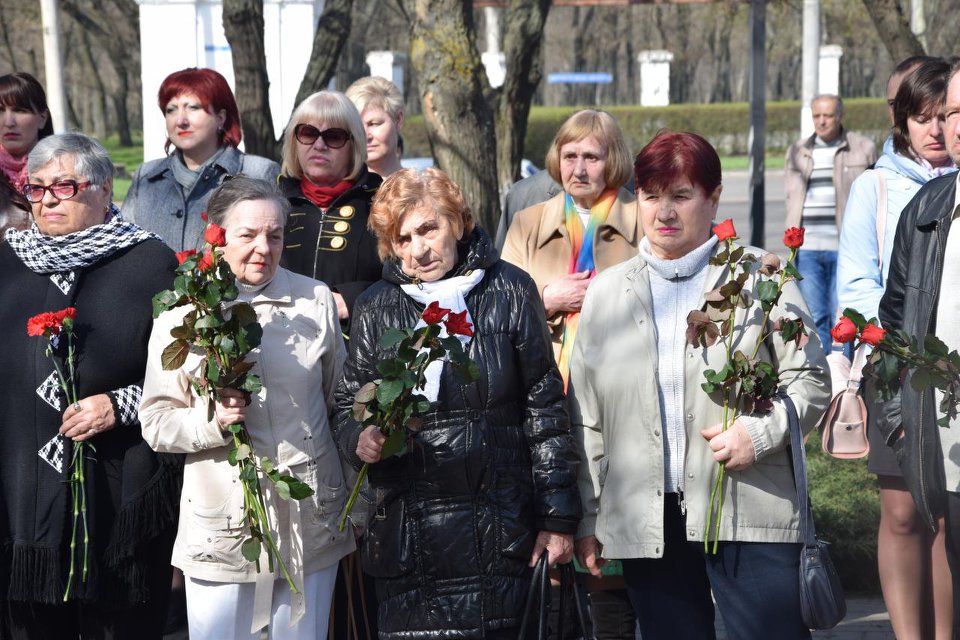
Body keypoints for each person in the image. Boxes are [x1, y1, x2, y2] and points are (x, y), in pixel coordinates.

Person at [571, 131, 831, 640]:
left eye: (682, 195)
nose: (664, 211)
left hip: (747, 506)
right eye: (651, 195)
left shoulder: (759, 276)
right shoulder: (606, 294)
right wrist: (590, 517)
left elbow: (811, 380)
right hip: (646, 518)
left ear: (713, 198)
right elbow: (585, 417)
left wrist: (758, 434)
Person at [333, 167, 581, 639]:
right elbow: (349, 404)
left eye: (428, 228)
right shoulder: (376, 306)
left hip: (501, 533)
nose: (418, 249)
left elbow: (545, 411)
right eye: (402, 239)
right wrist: (359, 437)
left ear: (458, 221)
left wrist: (558, 520)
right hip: (412, 546)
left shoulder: (510, 288)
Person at [139, 176, 352, 640]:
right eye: (248, 235)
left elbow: (340, 399)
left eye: (274, 235)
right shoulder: (185, 313)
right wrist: (211, 422)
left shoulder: (313, 299)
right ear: (217, 237)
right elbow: (155, 421)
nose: (263, 248)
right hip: (225, 521)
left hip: (308, 515)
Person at [0, 132, 180, 638]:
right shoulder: (7, 263)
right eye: (37, 188)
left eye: (64, 186)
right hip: (21, 492)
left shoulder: (150, 265)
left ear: (103, 189)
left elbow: (185, 377)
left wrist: (120, 405)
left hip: (118, 483)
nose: (49, 199)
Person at [838, 58, 955, 640]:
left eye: (945, 116)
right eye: (922, 117)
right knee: (905, 512)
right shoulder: (877, 187)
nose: (935, 130)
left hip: (949, 368)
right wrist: (887, 353)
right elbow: (859, 284)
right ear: (902, 123)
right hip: (897, 363)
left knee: (945, 514)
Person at [879, 57, 960, 640]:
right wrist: (897, 413)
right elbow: (894, 323)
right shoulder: (927, 210)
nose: (955, 125)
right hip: (944, 441)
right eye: (954, 112)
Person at [502, 109, 640, 383]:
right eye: (569, 157)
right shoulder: (526, 223)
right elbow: (500, 309)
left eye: (591, 157)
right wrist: (546, 299)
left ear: (612, 161)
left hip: (622, 382)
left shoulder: (644, 222)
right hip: (542, 386)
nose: (579, 170)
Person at [121, 68, 279, 252]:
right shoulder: (146, 176)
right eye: (171, 110)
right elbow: (125, 249)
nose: (180, 120)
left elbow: (276, 250)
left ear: (221, 118)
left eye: (193, 107)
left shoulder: (258, 173)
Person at [278, 90, 383, 327]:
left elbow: (407, 279)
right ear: (294, 141)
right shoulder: (272, 203)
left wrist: (354, 299)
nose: (319, 145)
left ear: (353, 146)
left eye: (333, 137)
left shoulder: (382, 202)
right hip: (283, 346)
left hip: (357, 350)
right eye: (308, 133)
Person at [785, 93, 877, 348]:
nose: (822, 121)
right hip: (809, 249)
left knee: (846, 318)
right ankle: (824, 377)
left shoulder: (863, 148)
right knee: (815, 316)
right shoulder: (797, 151)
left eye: (828, 115)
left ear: (840, 116)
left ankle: (845, 375)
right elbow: (790, 197)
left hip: (847, 248)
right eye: (817, 116)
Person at [0, 72, 52, 233]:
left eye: (20, 110)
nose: (9, 122)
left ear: (42, 117)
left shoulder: (70, 172)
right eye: (0, 110)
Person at [345, 76, 404, 178]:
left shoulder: (422, 191)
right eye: (357, 126)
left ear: (398, 120)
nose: (365, 136)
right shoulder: (337, 191)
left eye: (374, 124)